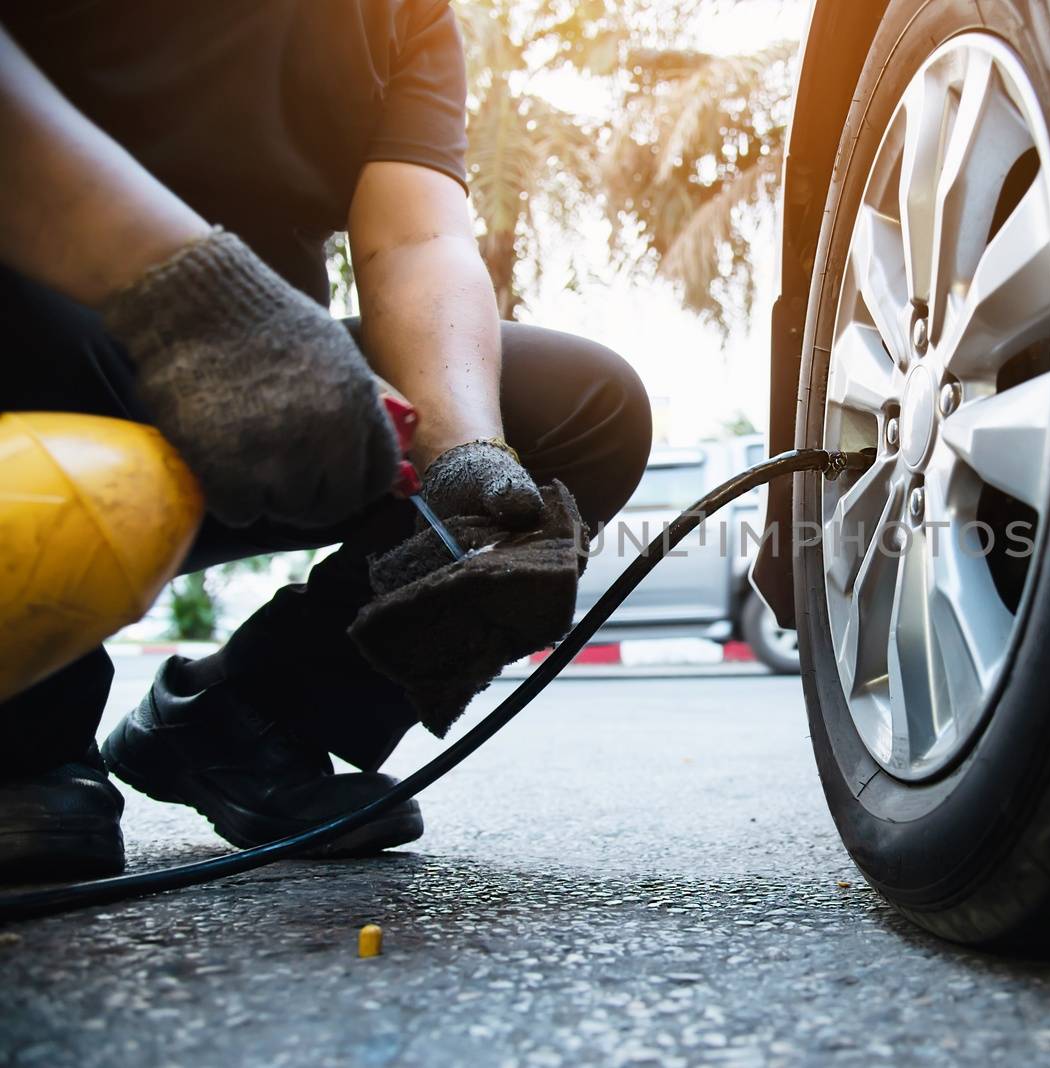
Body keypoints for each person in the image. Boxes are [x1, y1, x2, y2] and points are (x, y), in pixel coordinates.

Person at [0, 2, 652, 879]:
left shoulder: (401, 16)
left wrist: (466, 458)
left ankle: (251, 719)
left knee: (583, 409)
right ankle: (25, 737)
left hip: (258, 395)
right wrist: (193, 301)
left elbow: (417, 236)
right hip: (41, 357)